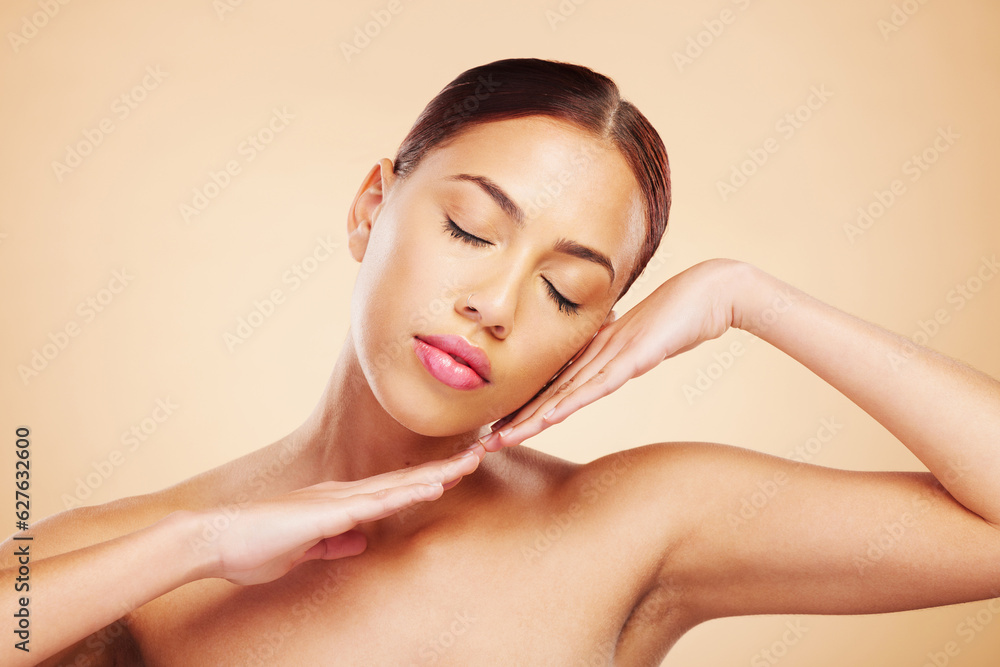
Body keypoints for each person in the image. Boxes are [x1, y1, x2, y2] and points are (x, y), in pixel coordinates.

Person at [3, 57, 999, 667]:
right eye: (472, 228)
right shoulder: (138, 547)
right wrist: (196, 545)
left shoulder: (640, 522)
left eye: (567, 292)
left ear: (595, 333)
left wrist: (745, 296)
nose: (495, 303)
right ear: (369, 207)